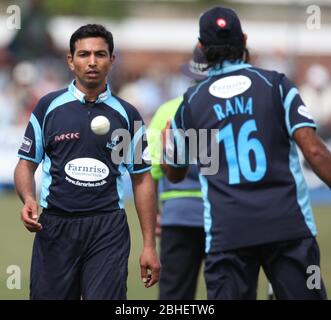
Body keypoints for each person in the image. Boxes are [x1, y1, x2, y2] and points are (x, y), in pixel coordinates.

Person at [161, 6, 331, 300]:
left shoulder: (191, 102)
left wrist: (168, 149)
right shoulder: (276, 85)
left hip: (228, 234)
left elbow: (174, 173)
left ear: (201, 47)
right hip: (288, 228)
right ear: (245, 39)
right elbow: (315, 152)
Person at [14, 24, 160, 300]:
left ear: (112, 60)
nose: (92, 61)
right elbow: (26, 164)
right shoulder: (48, 107)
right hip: (55, 227)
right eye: (83, 54)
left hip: (108, 229)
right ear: (71, 61)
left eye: (100, 54)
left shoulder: (128, 115)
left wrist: (149, 246)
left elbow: (142, 179)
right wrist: (29, 198)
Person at [147, 46, 208, 300]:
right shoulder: (232, 108)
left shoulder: (167, 110)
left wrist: (153, 219)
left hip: (177, 215)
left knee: (174, 297)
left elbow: (150, 171)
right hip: (225, 215)